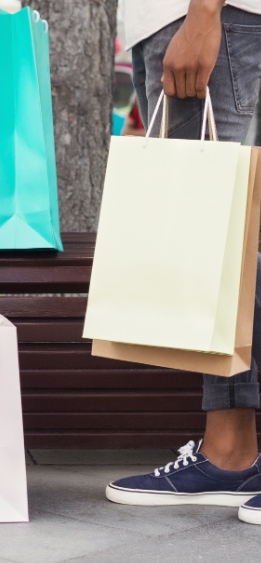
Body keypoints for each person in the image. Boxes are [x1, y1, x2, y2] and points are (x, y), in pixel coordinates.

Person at [106, 0, 261, 526]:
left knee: (224, 237)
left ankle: (230, 453)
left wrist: (202, 14)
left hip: (210, 18)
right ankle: (230, 453)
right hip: (173, 22)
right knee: (221, 243)